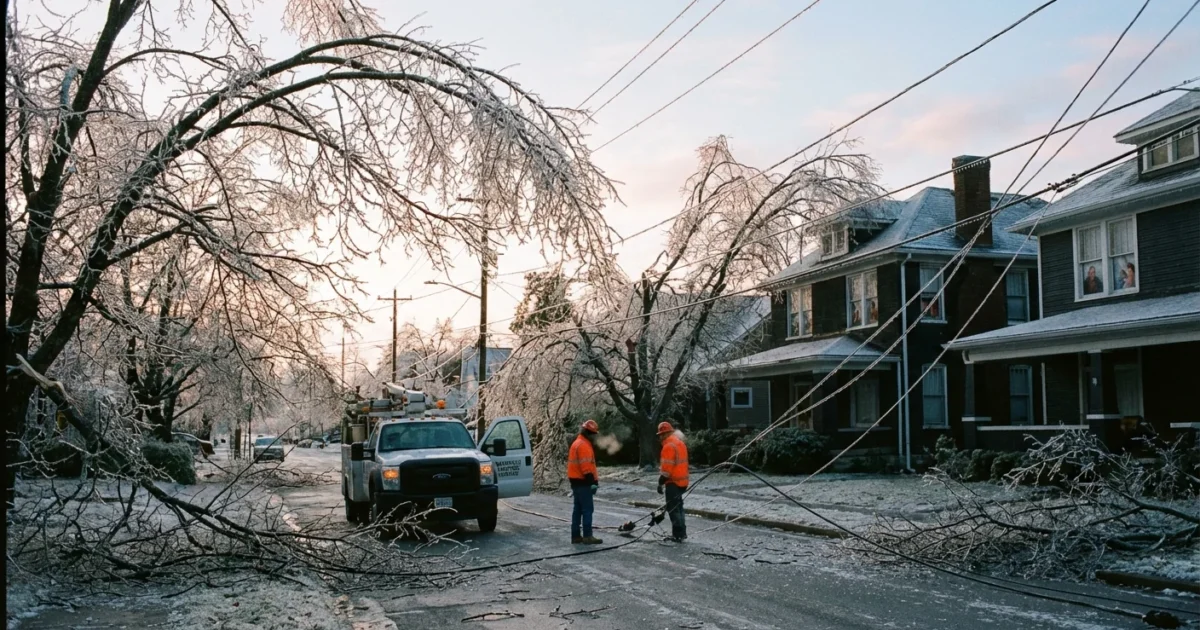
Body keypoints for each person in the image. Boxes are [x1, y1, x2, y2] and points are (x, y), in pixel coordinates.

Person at [566, 419, 602, 544]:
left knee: (577, 510)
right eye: (593, 434)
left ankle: (575, 535)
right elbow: (586, 467)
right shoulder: (584, 446)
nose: (595, 437)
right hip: (583, 482)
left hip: (575, 482)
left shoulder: (576, 443)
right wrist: (592, 482)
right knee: (587, 509)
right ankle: (587, 536)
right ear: (589, 433)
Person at [656, 422, 689, 542]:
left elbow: (666, 470)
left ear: (664, 434)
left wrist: (660, 483)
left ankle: (678, 534)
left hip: (673, 482)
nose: (659, 437)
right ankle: (682, 532)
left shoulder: (668, 446)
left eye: (660, 435)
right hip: (683, 482)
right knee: (679, 507)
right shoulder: (680, 443)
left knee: (673, 509)